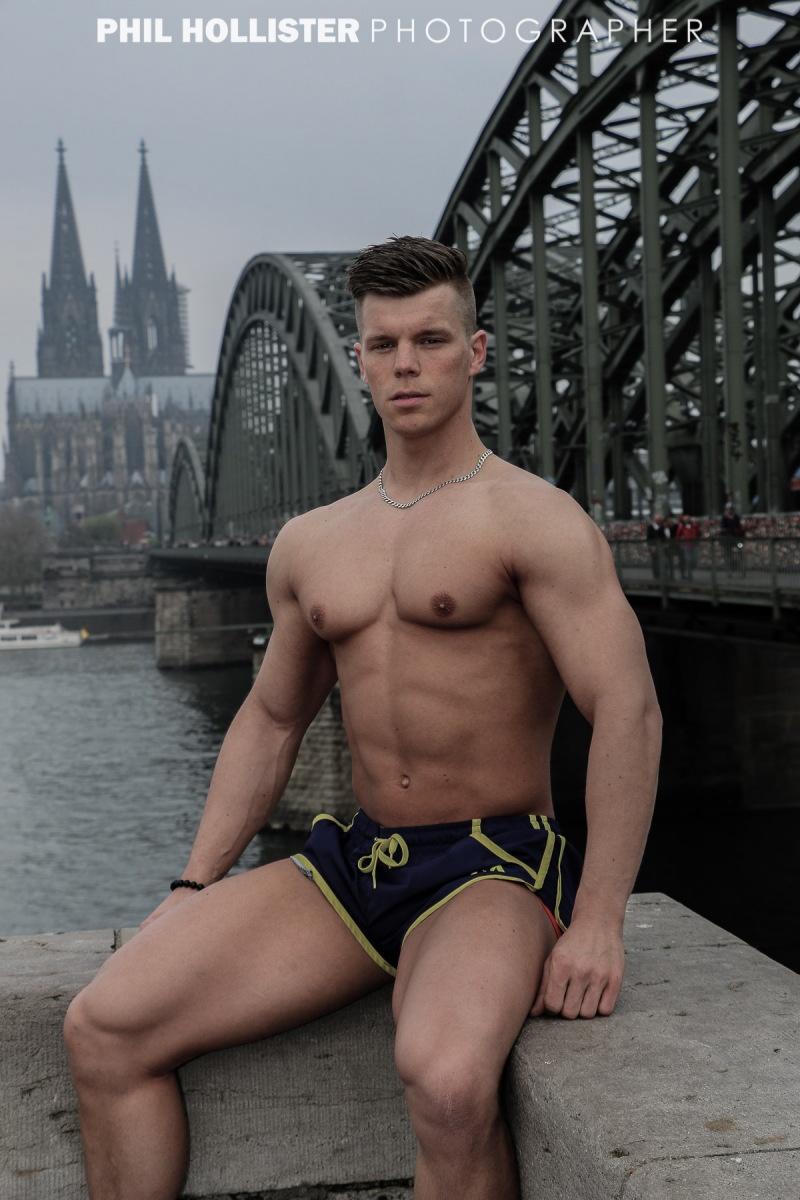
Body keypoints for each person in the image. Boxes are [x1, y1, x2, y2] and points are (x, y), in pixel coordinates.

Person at [63, 237, 662, 1200]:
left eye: (431, 340)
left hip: (493, 864)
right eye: (384, 345)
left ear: (474, 352)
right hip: (358, 860)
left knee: (448, 1082)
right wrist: (194, 881)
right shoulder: (312, 541)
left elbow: (626, 709)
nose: (406, 364)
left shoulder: (536, 519)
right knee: (103, 1026)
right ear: (359, 359)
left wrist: (597, 921)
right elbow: (271, 719)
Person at [675, 513, 700, 580]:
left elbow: (698, 533)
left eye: (688, 519)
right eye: (685, 519)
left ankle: (690, 570)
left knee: (695, 559)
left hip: (694, 544)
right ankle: (689, 574)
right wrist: (680, 542)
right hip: (686, 545)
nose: (687, 520)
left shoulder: (694, 525)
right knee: (688, 560)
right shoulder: (681, 526)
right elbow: (678, 535)